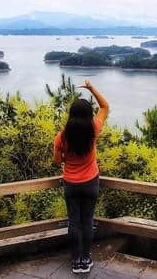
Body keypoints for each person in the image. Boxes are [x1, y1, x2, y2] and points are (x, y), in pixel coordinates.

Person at [53, 79, 109, 274]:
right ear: (87, 115)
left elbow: (56, 160)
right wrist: (92, 88)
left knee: (74, 222)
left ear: (70, 115)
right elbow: (105, 106)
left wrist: (67, 158)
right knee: (88, 220)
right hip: (91, 182)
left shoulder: (61, 137)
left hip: (70, 184)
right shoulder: (93, 129)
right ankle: (86, 260)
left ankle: (76, 262)